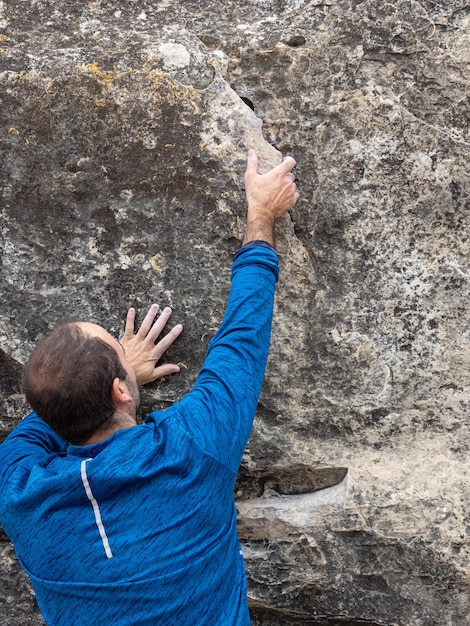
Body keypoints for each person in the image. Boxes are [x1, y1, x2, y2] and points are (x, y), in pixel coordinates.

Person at [0, 149, 299, 625]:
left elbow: (40, 423)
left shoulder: (18, 492)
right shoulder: (189, 449)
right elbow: (241, 345)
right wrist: (261, 214)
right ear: (121, 391)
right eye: (119, 349)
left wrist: (111, 378)